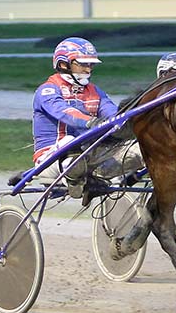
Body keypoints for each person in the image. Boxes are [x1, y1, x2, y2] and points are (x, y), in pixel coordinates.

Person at [32, 37, 142, 201]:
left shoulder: (94, 91)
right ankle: (76, 179)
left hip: (91, 155)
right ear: (63, 64)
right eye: (83, 64)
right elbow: (64, 112)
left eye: (91, 64)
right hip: (51, 160)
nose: (88, 69)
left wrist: (125, 122)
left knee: (142, 146)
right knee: (70, 142)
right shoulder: (47, 90)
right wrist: (91, 122)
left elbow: (112, 113)